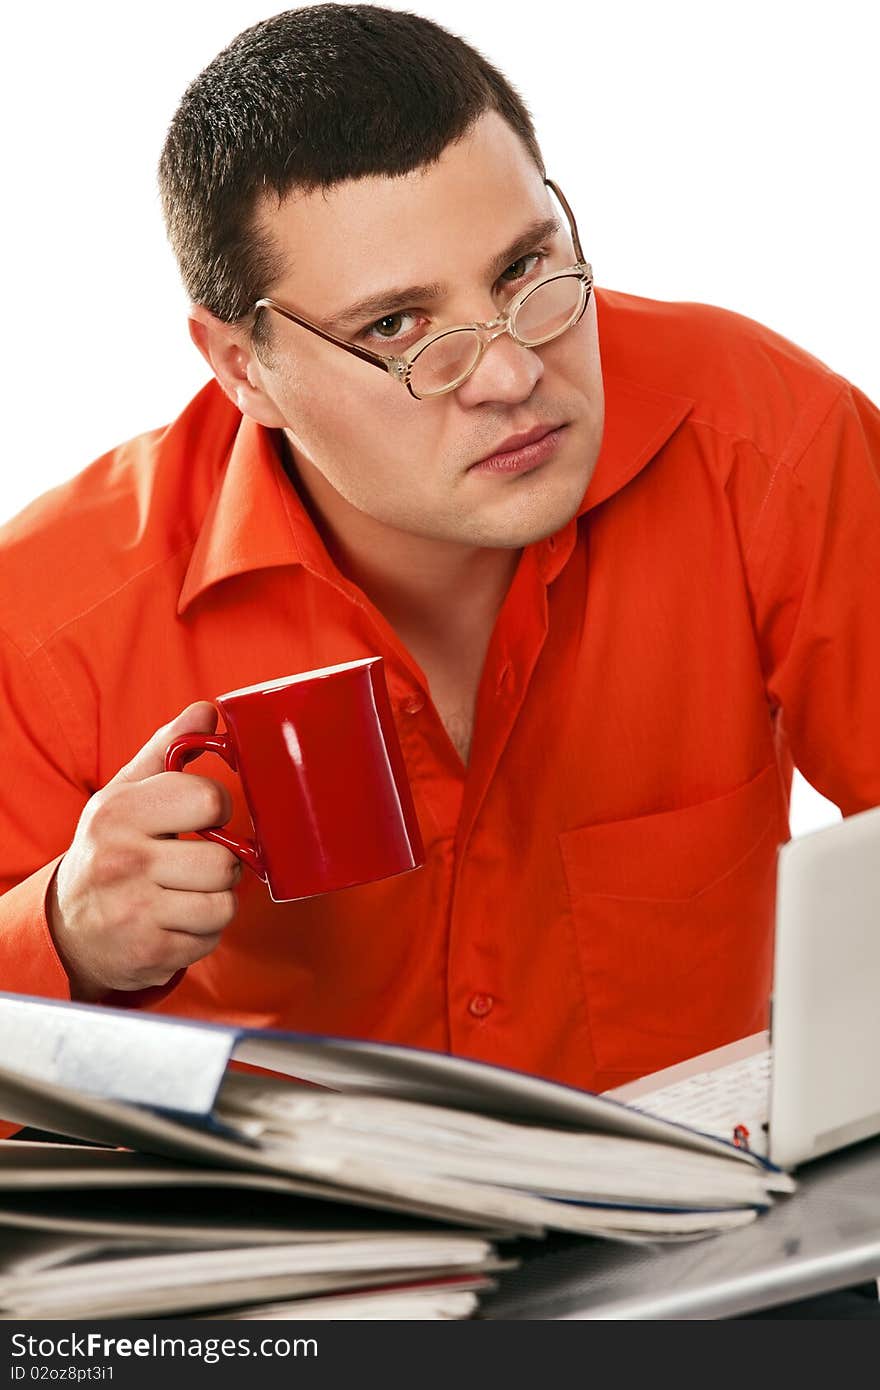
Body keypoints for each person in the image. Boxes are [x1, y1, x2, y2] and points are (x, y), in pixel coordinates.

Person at [1, 3, 878, 1097]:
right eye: (394, 327)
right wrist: (64, 937)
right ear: (241, 366)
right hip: (299, 1261)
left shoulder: (767, 441)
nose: (511, 373)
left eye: (521, 270)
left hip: (718, 1238)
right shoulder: (45, 621)